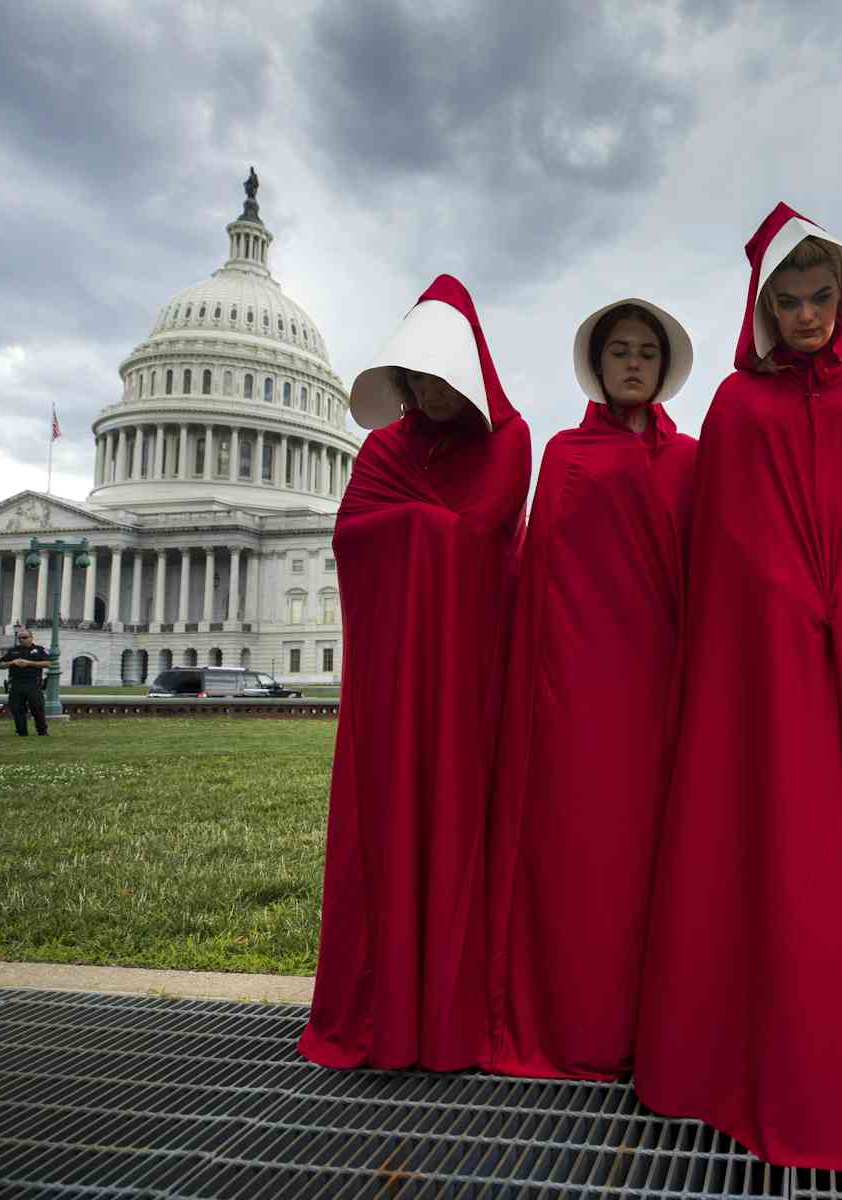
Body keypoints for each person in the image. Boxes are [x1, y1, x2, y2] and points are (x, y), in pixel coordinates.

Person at [633, 204, 842, 1168]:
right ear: (763, 307)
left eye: (822, 297)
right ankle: (785, 1060)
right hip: (773, 666)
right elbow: (729, 549)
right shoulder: (736, 410)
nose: (809, 314)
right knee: (785, 841)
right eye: (789, 301)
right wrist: (788, 601)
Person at [297, 275, 531, 1072]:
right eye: (418, 377)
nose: (429, 391)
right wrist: (429, 525)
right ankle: (384, 1008)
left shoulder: (510, 438)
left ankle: (451, 1013)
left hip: (471, 676)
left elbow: (486, 539)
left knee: (461, 824)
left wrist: (411, 525)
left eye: (442, 376)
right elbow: (352, 540)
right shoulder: (381, 448)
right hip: (392, 679)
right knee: (386, 820)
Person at [486, 298, 699, 1080]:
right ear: (599, 364)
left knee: (662, 862)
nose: (635, 362)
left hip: (666, 687)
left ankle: (663, 1027)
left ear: (664, 365)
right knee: (585, 862)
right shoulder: (564, 454)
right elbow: (542, 575)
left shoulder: (692, 460)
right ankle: (580, 1025)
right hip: (579, 696)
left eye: (647, 351)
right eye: (621, 351)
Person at [0, 627, 49, 736]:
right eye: (20, 638)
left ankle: (42, 731)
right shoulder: (13, 650)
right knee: (17, 708)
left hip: (33, 683)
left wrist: (28, 663)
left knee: (37, 707)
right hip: (16, 683)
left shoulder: (39, 650)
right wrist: (13, 662)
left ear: (31, 638)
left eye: (25, 637)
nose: (22, 640)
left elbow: (48, 663)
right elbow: (1, 665)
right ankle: (21, 731)